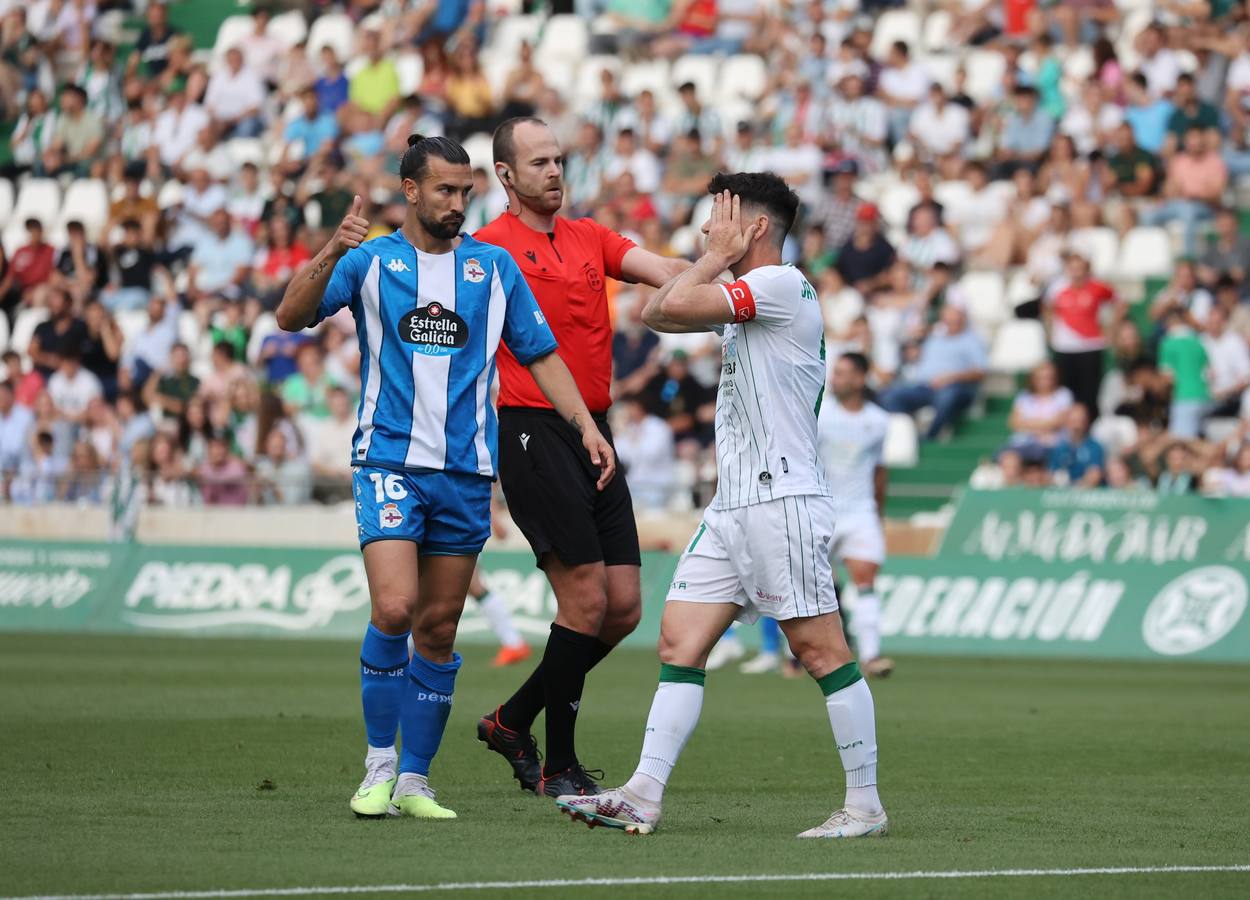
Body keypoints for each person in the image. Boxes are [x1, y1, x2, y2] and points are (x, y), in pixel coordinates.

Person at [275, 133, 614, 821]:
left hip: (464, 471)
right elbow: (290, 316)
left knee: (437, 628)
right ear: (410, 191)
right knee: (395, 609)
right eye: (445, 191)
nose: (459, 203)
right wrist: (330, 251)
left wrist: (584, 424)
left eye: (466, 192)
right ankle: (376, 767)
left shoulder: (491, 269)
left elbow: (540, 353)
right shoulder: (369, 261)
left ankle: (415, 781)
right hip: (389, 461)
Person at [558, 175, 887, 840]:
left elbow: (662, 312)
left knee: (821, 652)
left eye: (718, 219)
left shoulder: (783, 285)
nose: (708, 232)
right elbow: (660, 310)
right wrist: (708, 261)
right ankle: (644, 793)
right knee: (680, 641)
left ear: (754, 228)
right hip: (733, 504)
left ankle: (864, 806)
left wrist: (711, 259)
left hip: (781, 497)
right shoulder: (752, 295)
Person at [473, 117, 687, 799]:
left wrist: (722, 264)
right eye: (539, 163)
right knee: (586, 599)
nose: (555, 173)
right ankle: (559, 765)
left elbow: (668, 274)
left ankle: (513, 720)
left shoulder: (591, 236)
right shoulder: (487, 250)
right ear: (505, 176)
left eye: (560, 160)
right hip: (533, 431)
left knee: (623, 606)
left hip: (595, 428)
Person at [817, 352, 894, 678]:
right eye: (836, 372)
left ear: (861, 379)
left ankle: (872, 655)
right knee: (807, 584)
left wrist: (878, 512)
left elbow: (878, 469)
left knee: (865, 581)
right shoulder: (819, 413)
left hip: (860, 510)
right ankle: (799, 655)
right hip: (820, 507)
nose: (836, 378)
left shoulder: (878, 421)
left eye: (845, 373)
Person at [878, 305, 987, 440]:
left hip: (955, 387)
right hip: (924, 387)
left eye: (956, 321)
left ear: (963, 320)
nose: (952, 324)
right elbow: (915, 359)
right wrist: (912, 349)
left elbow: (980, 371)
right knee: (889, 396)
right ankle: (908, 435)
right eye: (949, 321)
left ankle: (931, 436)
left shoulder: (972, 340)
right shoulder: (934, 338)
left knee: (946, 397)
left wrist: (951, 377)